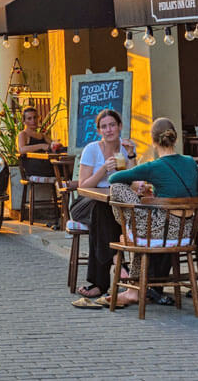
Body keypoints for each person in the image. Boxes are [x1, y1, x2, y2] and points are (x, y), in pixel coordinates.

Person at [103, 117, 198, 306]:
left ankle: (129, 230)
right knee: (137, 227)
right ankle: (132, 290)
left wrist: (143, 193)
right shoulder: (190, 162)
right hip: (184, 234)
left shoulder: (154, 166)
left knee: (118, 192)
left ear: (153, 141)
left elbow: (115, 178)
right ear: (175, 138)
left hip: (159, 232)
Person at [74, 108, 137, 301]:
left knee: (105, 215)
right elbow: (82, 186)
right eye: (104, 127)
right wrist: (103, 169)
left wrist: (132, 156)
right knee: (101, 209)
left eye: (112, 125)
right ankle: (120, 263)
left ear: (120, 126)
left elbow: (134, 182)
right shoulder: (92, 149)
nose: (108, 130)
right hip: (86, 203)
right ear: (99, 130)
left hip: (113, 205)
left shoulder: (126, 150)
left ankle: (99, 284)